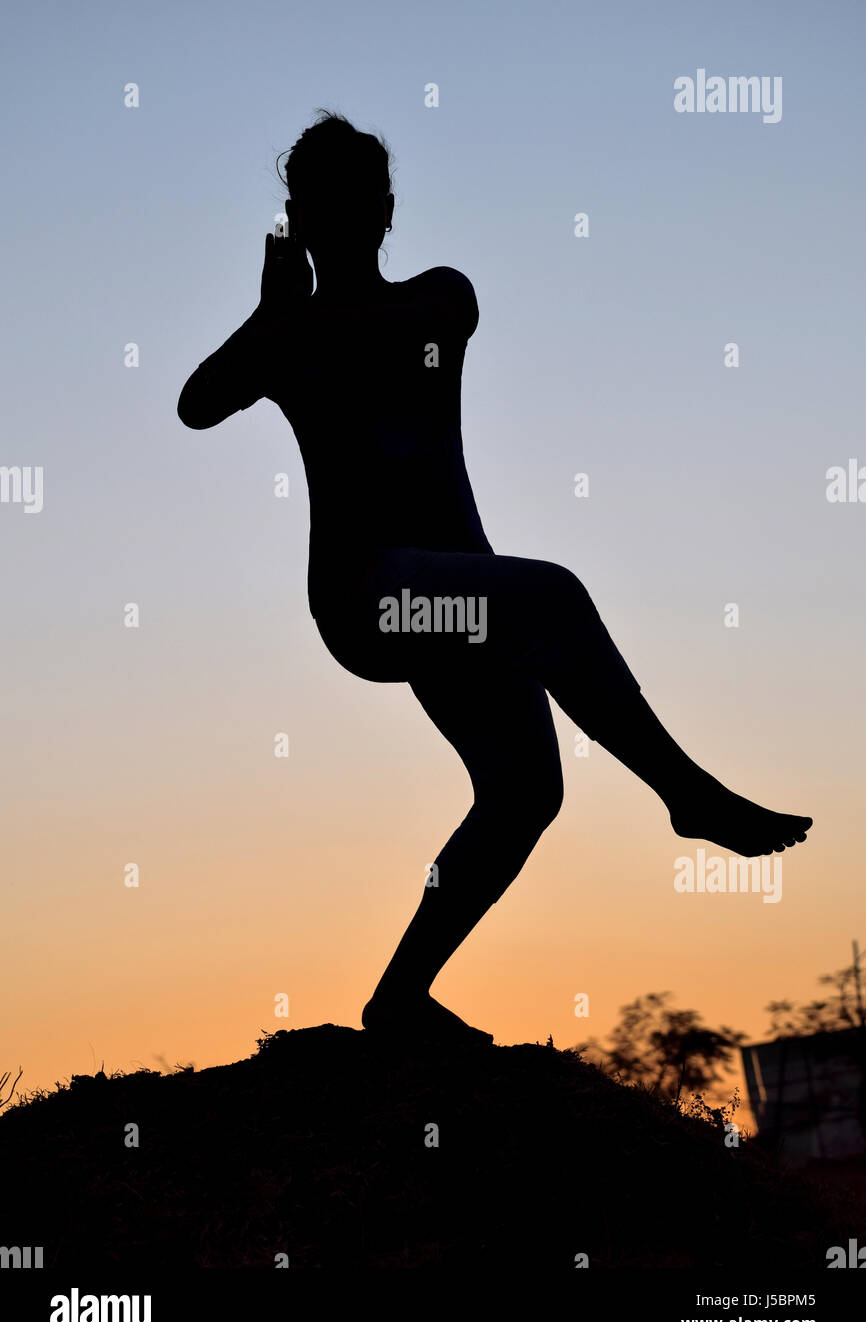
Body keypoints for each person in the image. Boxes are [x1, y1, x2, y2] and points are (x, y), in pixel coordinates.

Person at [177, 110, 812, 1048]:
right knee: (553, 595)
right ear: (297, 217)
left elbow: (388, 329)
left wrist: (288, 322)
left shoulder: (437, 300)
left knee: (525, 793)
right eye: (322, 204)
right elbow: (195, 405)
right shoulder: (290, 334)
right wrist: (269, 322)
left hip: (459, 600)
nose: (345, 218)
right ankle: (688, 795)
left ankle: (398, 999)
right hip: (372, 597)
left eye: (359, 201)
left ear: (386, 210)